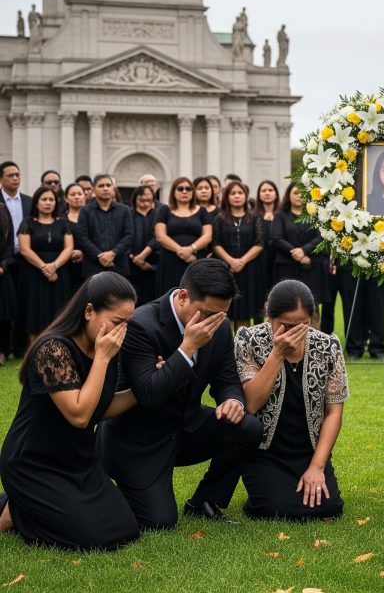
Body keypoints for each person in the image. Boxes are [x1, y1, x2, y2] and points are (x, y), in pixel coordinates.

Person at [97, 259, 264, 529]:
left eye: (222, 314)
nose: (214, 321)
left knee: (248, 427)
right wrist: (187, 349)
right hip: (139, 439)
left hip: (186, 426)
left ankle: (204, 501)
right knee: (159, 521)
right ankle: (109, 491)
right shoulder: (140, 325)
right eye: (208, 313)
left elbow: (227, 378)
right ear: (184, 297)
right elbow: (149, 395)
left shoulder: (220, 325)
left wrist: (232, 399)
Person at [0, 273, 142, 550]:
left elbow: (99, 408)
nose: (121, 331)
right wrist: (102, 357)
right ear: (89, 311)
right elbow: (79, 415)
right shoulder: (52, 350)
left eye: (127, 323)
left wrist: (143, 389)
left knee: (126, 528)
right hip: (34, 462)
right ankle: (16, 509)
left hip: (78, 462)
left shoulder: (103, 347)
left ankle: (27, 505)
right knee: (92, 538)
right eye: (117, 322)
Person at [234, 279, 348, 520]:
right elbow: (251, 404)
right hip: (265, 450)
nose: (294, 332)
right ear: (269, 315)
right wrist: (277, 354)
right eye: (285, 325)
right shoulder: (248, 340)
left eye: (302, 325)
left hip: (309, 450)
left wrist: (317, 466)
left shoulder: (328, 346)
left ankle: (314, 471)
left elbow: (334, 413)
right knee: (274, 509)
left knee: (329, 507)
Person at [17, 186, 74, 342]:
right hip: (34, 273)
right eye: (44, 199)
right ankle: (33, 348)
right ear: (36, 202)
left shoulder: (63, 223)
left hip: (59, 273)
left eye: (51, 200)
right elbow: (24, 249)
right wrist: (44, 267)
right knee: (34, 309)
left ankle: (58, 344)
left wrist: (54, 266)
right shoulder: (27, 223)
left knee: (58, 309)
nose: (48, 203)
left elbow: (69, 248)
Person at [272, 182, 329, 324]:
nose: (299, 196)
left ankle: (314, 340)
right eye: (296, 193)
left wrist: (304, 251)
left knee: (312, 305)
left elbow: (321, 236)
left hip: (312, 265)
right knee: (287, 305)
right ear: (288, 195)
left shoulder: (315, 214)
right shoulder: (280, 215)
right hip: (287, 266)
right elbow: (276, 238)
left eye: (303, 193)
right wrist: (295, 253)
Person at [212, 181, 264, 330]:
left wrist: (242, 261)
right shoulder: (220, 218)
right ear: (226, 197)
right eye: (232, 193)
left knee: (245, 314)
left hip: (250, 271)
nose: (236, 196)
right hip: (226, 270)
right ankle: (226, 348)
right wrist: (231, 261)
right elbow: (216, 243)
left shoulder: (255, 218)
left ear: (246, 196)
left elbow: (260, 243)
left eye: (240, 193)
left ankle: (244, 349)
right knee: (225, 313)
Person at [153, 177, 213, 295]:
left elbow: (208, 236)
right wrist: (181, 251)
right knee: (170, 295)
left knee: (196, 294)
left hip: (195, 260)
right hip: (170, 260)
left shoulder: (202, 211)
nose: (184, 191)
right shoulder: (164, 210)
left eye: (188, 188)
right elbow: (160, 236)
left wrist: (191, 249)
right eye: (180, 188)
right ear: (173, 192)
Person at [0, 161, 31, 358]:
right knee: (4, 307)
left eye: (18, 174)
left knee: (23, 303)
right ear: (1, 178)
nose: (15, 178)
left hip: (26, 259)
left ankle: (19, 347)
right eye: (11, 175)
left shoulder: (29, 201)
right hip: (4, 261)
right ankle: (4, 347)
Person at [77, 174, 134, 277]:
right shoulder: (85, 211)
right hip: (92, 266)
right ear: (94, 190)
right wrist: (100, 256)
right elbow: (82, 237)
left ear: (113, 188)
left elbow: (129, 236)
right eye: (101, 186)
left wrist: (113, 253)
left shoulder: (125, 210)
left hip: (118, 264)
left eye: (108, 185)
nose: (105, 188)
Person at [128, 185, 159, 306]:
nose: (145, 202)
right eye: (141, 199)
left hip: (152, 264)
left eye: (148, 199)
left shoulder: (158, 214)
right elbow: (125, 236)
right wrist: (134, 258)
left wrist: (142, 257)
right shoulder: (128, 214)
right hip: (130, 264)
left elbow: (158, 237)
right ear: (135, 199)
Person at [254, 179, 279, 302]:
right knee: (260, 295)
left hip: (278, 259)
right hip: (259, 259)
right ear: (259, 195)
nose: (267, 193)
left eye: (270, 190)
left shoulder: (282, 214)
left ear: (276, 194)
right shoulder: (253, 215)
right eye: (263, 190)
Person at [0, 203, 16, 366]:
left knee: (3, 316)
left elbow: (10, 243)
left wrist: (3, 265)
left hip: (2, 271)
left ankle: (3, 350)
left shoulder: (3, 211)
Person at [64, 182, 86, 294]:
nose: (77, 197)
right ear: (66, 198)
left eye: (79, 194)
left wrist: (83, 253)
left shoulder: (90, 217)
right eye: (73, 194)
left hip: (87, 264)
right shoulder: (61, 218)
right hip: (65, 265)